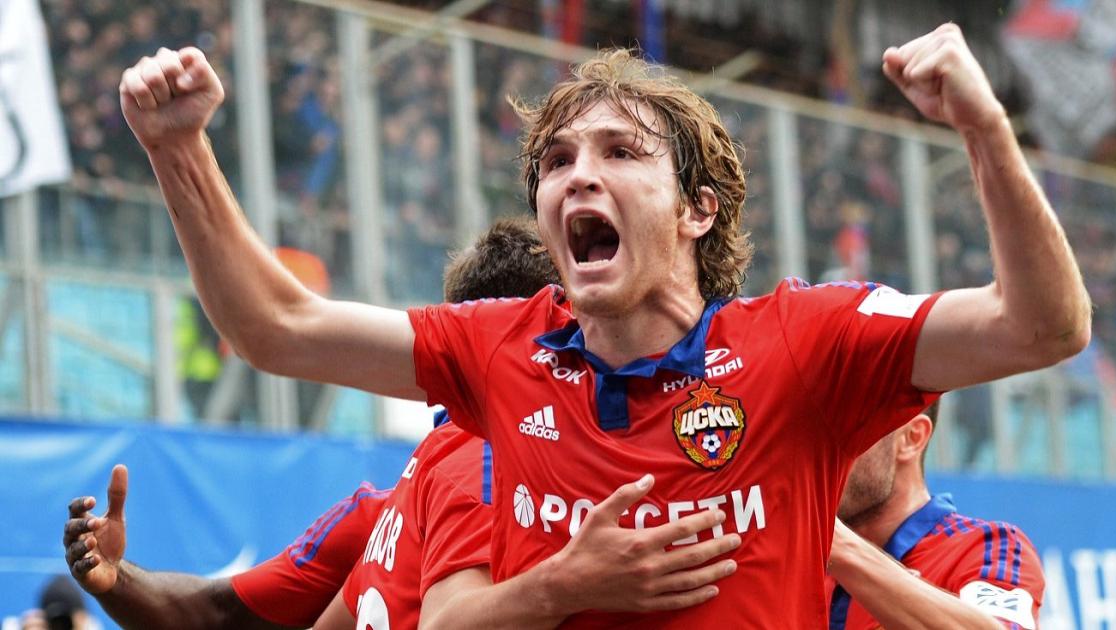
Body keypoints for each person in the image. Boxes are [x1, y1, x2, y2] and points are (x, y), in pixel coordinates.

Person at [118, 21, 1090, 626]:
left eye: (621, 151)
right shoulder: (500, 347)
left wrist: (984, 130)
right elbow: (276, 327)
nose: (578, 174)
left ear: (697, 209)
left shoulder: (803, 341)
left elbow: (1044, 328)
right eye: (556, 161)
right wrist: (178, 151)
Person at [62, 218, 737, 629]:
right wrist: (571, 583)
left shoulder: (388, 506)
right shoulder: (491, 470)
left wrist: (116, 580)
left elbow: (215, 615)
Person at [826, 404, 1045, 629]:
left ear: (912, 437)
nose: (819, 457)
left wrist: (839, 546)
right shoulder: (809, 564)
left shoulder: (989, 547)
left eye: (842, 432)